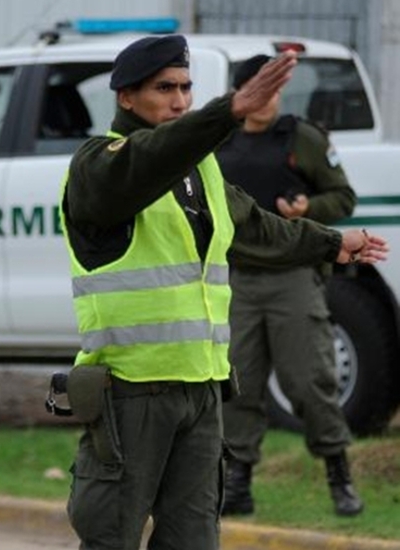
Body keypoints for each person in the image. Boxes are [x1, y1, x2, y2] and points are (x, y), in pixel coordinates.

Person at [59, 35, 387, 550]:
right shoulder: (101, 166)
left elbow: (256, 227)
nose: (179, 100)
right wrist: (229, 111)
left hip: (202, 387)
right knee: (110, 538)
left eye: (186, 88)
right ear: (125, 97)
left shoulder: (200, 171)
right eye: (164, 88)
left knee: (195, 540)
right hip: (133, 389)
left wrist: (330, 243)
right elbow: (151, 157)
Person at [215, 54, 363, 517]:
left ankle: (339, 475)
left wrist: (307, 210)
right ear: (241, 93)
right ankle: (237, 483)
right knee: (237, 383)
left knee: (309, 380)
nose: (269, 100)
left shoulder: (302, 138)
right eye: (260, 90)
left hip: (293, 275)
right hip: (236, 279)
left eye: (276, 90)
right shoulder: (217, 141)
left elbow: (343, 197)